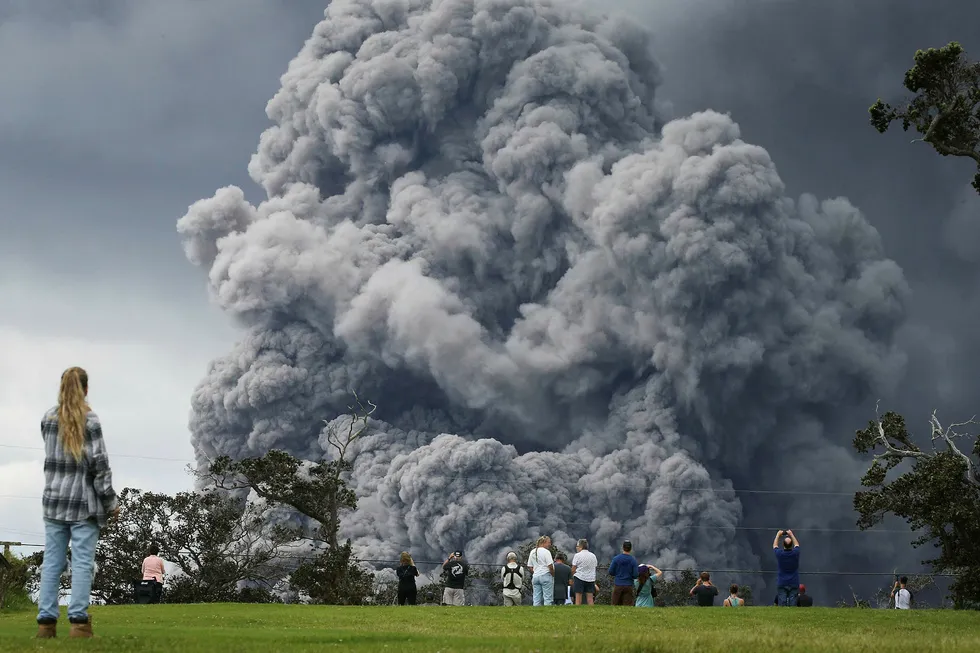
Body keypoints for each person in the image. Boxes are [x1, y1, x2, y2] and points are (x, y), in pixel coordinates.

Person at [36, 367, 118, 639]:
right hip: (83, 504)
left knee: (52, 562)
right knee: (82, 563)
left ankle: (46, 624)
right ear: (85, 389)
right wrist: (110, 502)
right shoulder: (90, 420)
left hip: (54, 502)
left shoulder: (48, 418)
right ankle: (79, 624)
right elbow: (99, 466)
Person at [773, 529, 801, 607]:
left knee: (782, 604)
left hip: (782, 582)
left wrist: (778, 535)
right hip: (794, 582)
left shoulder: (780, 554)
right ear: (791, 545)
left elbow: (775, 546)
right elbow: (797, 545)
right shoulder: (795, 553)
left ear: (783, 545)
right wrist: (791, 534)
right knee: (793, 605)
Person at [608, 540, 639, 606]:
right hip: (628, 585)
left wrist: (617, 574)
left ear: (622, 547)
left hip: (618, 584)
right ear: (630, 549)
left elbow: (610, 571)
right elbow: (636, 575)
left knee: (615, 605)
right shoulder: (633, 560)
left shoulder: (616, 559)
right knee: (627, 606)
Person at [527, 535, 555, 606]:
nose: (550, 544)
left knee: (536, 598)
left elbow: (530, 566)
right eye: (549, 542)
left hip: (535, 577)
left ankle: (536, 614)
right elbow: (550, 566)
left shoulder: (532, 552)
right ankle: (547, 614)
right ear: (544, 542)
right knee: (548, 598)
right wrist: (552, 574)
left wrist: (536, 572)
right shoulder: (546, 552)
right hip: (546, 575)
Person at [571, 539, 598, 605]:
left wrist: (572, 576)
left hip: (579, 577)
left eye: (577, 546)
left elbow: (573, 569)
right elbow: (595, 566)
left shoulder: (577, 555)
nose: (576, 548)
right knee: (590, 598)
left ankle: (578, 613)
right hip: (590, 579)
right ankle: (591, 612)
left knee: (578, 598)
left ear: (581, 546)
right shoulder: (593, 556)